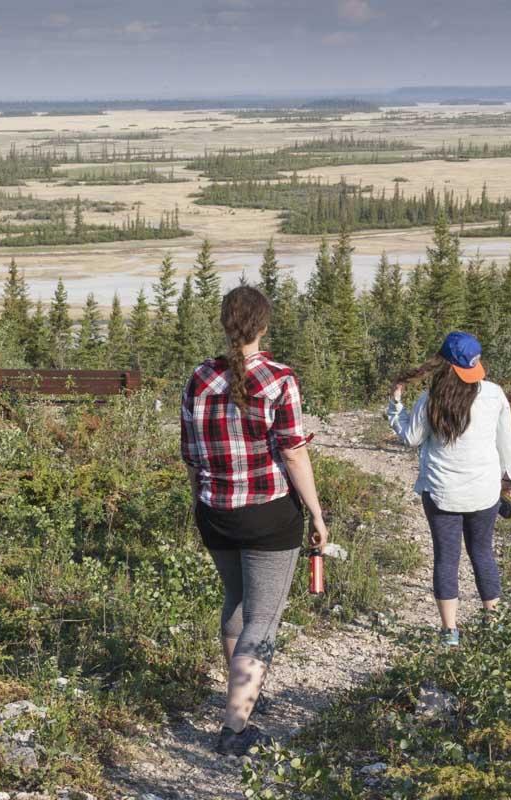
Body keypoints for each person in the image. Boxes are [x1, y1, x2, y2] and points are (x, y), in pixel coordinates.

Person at [180, 285, 329, 756]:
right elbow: (293, 452)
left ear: (225, 323)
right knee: (262, 619)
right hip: (268, 514)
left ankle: (243, 697)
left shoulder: (199, 378)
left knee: (238, 601)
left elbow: (191, 455)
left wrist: (201, 503)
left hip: (214, 512)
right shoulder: (280, 379)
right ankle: (235, 727)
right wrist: (317, 514)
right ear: (263, 325)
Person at [388, 332, 511, 647]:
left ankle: (449, 633)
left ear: (444, 364)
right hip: (485, 492)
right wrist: (509, 481)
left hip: (442, 493)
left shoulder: (430, 400)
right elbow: (506, 443)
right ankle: (494, 625)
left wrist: (395, 406)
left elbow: (410, 438)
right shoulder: (494, 394)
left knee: (446, 559)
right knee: (482, 553)